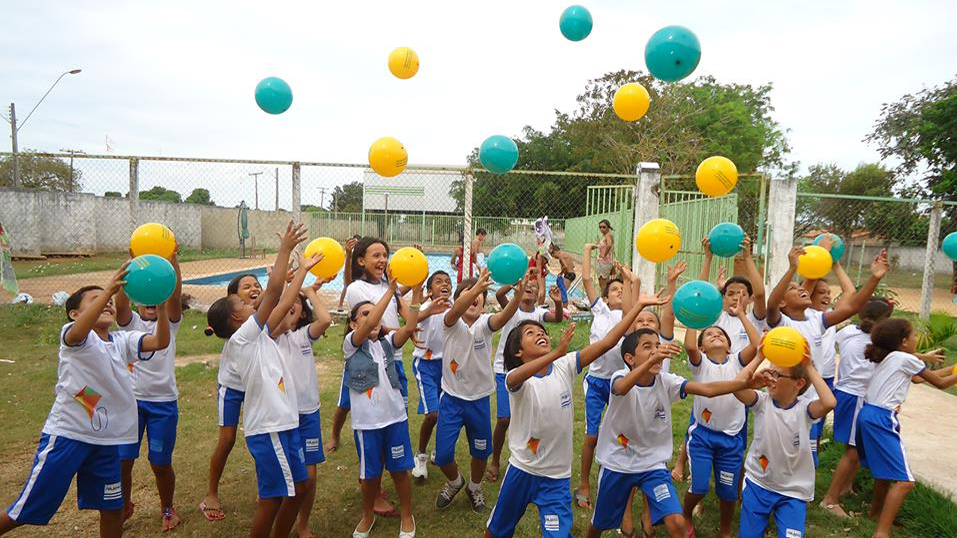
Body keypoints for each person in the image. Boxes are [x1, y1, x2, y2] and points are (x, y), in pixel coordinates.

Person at [0, 263, 171, 537]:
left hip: (106, 443)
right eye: (97, 300)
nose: (108, 304)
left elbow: (160, 341)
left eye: (111, 302)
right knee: (27, 509)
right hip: (69, 435)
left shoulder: (122, 341)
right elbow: (79, 331)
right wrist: (108, 291)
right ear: (75, 313)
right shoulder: (75, 338)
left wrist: (162, 307)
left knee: (113, 508)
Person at [484, 294, 664, 538]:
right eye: (531, 333)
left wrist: (639, 306)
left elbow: (607, 343)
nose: (540, 334)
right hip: (522, 470)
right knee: (497, 532)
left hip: (556, 477)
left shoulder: (564, 364)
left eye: (542, 331)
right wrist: (556, 353)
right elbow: (515, 379)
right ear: (518, 352)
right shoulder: (516, 378)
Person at [586, 329, 763, 538]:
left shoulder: (667, 381)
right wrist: (654, 358)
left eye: (657, 345)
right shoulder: (620, 376)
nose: (656, 350)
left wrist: (744, 383)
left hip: (653, 466)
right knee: (599, 524)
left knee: (677, 522)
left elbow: (707, 389)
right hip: (617, 464)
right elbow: (622, 388)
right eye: (647, 346)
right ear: (629, 359)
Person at [205, 221, 313, 538]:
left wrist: (303, 271)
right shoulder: (243, 339)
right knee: (275, 498)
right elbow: (276, 292)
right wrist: (285, 249)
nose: (250, 301)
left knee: (299, 487)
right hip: (270, 430)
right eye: (242, 303)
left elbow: (282, 301)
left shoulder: (258, 335)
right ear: (237, 318)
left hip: (283, 425)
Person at [766, 246, 890, 466]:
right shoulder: (781, 322)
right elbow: (772, 303)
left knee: (807, 454)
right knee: (779, 448)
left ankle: (801, 488)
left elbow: (852, 307)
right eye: (794, 289)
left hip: (811, 395)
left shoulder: (817, 321)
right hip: (786, 392)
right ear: (784, 303)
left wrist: (874, 278)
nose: (802, 289)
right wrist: (792, 269)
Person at [328, 237, 414, 517]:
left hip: (391, 358)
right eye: (376, 254)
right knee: (358, 413)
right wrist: (395, 332)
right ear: (361, 261)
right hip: (364, 358)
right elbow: (368, 322)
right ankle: (372, 486)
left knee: (390, 414)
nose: (383, 259)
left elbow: (401, 309)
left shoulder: (388, 287)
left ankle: (386, 472)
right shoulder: (357, 288)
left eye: (385, 255)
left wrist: (416, 278)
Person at [672, 236, 766, 485]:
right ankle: (685, 465)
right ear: (723, 297)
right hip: (711, 378)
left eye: (742, 294)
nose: (736, 298)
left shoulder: (753, 318)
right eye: (731, 294)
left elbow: (758, 343)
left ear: (749, 298)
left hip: (740, 383)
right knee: (699, 425)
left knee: (735, 433)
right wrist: (708, 258)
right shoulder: (717, 319)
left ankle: (734, 482)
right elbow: (699, 295)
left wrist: (743, 314)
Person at [854, 318, 957, 538]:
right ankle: (882, 533)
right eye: (912, 335)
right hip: (882, 418)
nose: (915, 339)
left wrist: (951, 369)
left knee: (883, 473)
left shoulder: (892, 356)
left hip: (868, 414)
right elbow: (939, 384)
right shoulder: (905, 358)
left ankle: (875, 514)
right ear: (903, 341)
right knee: (905, 481)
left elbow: (920, 380)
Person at [434, 270, 526, 513]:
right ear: (457, 299)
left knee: (480, 451)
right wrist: (474, 289)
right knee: (442, 455)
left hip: (479, 402)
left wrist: (517, 296)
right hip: (452, 401)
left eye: (480, 295)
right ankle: (455, 482)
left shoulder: (484, 325)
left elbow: (503, 317)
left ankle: (474, 487)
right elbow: (456, 310)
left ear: (484, 304)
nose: (474, 298)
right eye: (467, 293)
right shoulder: (449, 322)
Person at [343, 277, 422, 538]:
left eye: (375, 314)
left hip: (395, 419)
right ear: (353, 324)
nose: (372, 319)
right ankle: (367, 516)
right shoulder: (351, 347)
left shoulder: (387, 344)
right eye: (365, 314)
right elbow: (368, 325)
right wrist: (390, 291)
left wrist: (418, 289)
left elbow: (410, 326)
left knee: (400, 470)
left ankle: (407, 515)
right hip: (367, 425)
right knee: (370, 476)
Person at [731, 350, 837, 538]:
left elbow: (829, 402)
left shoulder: (805, 409)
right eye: (769, 372)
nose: (770, 378)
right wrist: (758, 358)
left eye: (776, 374)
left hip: (793, 491)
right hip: (758, 483)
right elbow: (737, 388)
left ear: (799, 383)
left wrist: (809, 367)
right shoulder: (762, 402)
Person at [116, 246, 184, 530]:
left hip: (163, 405)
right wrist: (131, 264)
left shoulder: (170, 323)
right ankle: (123, 506)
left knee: (160, 463)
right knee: (123, 462)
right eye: (147, 299)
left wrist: (172, 261)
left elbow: (175, 294)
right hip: (131, 404)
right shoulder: (130, 322)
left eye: (158, 300)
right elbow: (120, 305)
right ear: (138, 298)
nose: (152, 304)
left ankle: (167, 507)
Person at [680, 305, 761, 538]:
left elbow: (757, 346)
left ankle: (725, 530)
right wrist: (693, 321)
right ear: (702, 348)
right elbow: (688, 346)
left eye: (721, 334)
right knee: (700, 486)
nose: (716, 334)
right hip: (703, 437)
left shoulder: (737, 361)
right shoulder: (700, 364)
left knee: (728, 492)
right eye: (710, 334)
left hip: (731, 439)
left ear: (729, 345)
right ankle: (685, 515)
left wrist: (742, 315)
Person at [819, 299, 894, 518]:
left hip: (844, 392)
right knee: (853, 451)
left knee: (855, 447)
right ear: (884, 321)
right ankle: (830, 500)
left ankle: (845, 487)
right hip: (856, 397)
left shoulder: (847, 331)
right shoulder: (879, 343)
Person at [487, 272, 564, 483]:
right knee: (504, 419)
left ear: (539, 292)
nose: (529, 287)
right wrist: (515, 284)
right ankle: (495, 460)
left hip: (534, 371)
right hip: (506, 370)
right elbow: (500, 295)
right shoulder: (512, 309)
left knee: (531, 415)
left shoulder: (539, 313)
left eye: (533, 286)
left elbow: (557, 318)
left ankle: (528, 452)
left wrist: (557, 303)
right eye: (526, 285)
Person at [200, 271, 262, 521]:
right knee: (227, 440)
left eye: (257, 284)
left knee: (261, 433)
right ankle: (211, 493)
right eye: (246, 287)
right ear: (232, 302)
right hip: (232, 386)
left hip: (256, 385)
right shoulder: (243, 323)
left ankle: (264, 487)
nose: (254, 288)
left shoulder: (257, 315)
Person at [273, 278, 333, 538]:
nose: (290, 307)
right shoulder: (268, 338)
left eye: (296, 304)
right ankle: (279, 513)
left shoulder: (303, 336)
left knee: (309, 476)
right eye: (285, 304)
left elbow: (326, 320)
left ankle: (303, 522)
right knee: (283, 473)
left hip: (307, 414)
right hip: (280, 417)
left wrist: (309, 292)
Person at [574, 243, 625, 510]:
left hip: (620, 384)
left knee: (619, 434)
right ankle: (583, 483)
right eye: (615, 290)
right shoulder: (600, 310)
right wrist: (587, 251)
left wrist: (625, 276)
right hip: (596, 382)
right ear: (605, 298)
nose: (619, 292)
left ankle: (618, 481)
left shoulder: (629, 315)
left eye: (622, 289)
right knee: (592, 435)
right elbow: (585, 278)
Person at [410, 271, 453, 480]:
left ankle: (440, 451)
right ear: (430, 290)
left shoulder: (454, 307)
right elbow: (411, 319)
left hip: (446, 365)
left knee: (445, 412)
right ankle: (420, 455)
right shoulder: (425, 306)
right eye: (439, 281)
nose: (444, 284)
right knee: (433, 414)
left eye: (448, 282)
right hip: (425, 365)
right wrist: (430, 310)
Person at [338, 235, 362, 311]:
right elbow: (348, 258)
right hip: (349, 271)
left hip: (357, 271)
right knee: (346, 287)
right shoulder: (350, 250)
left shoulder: (361, 251)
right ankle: (340, 305)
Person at [596, 220, 615, 289]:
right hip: (603, 261)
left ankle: (604, 298)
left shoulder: (608, 235)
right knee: (602, 283)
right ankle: (604, 297)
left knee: (603, 284)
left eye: (604, 227)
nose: (601, 229)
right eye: (600, 227)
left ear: (608, 227)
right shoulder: (605, 236)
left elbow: (609, 245)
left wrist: (604, 255)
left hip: (605, 262)